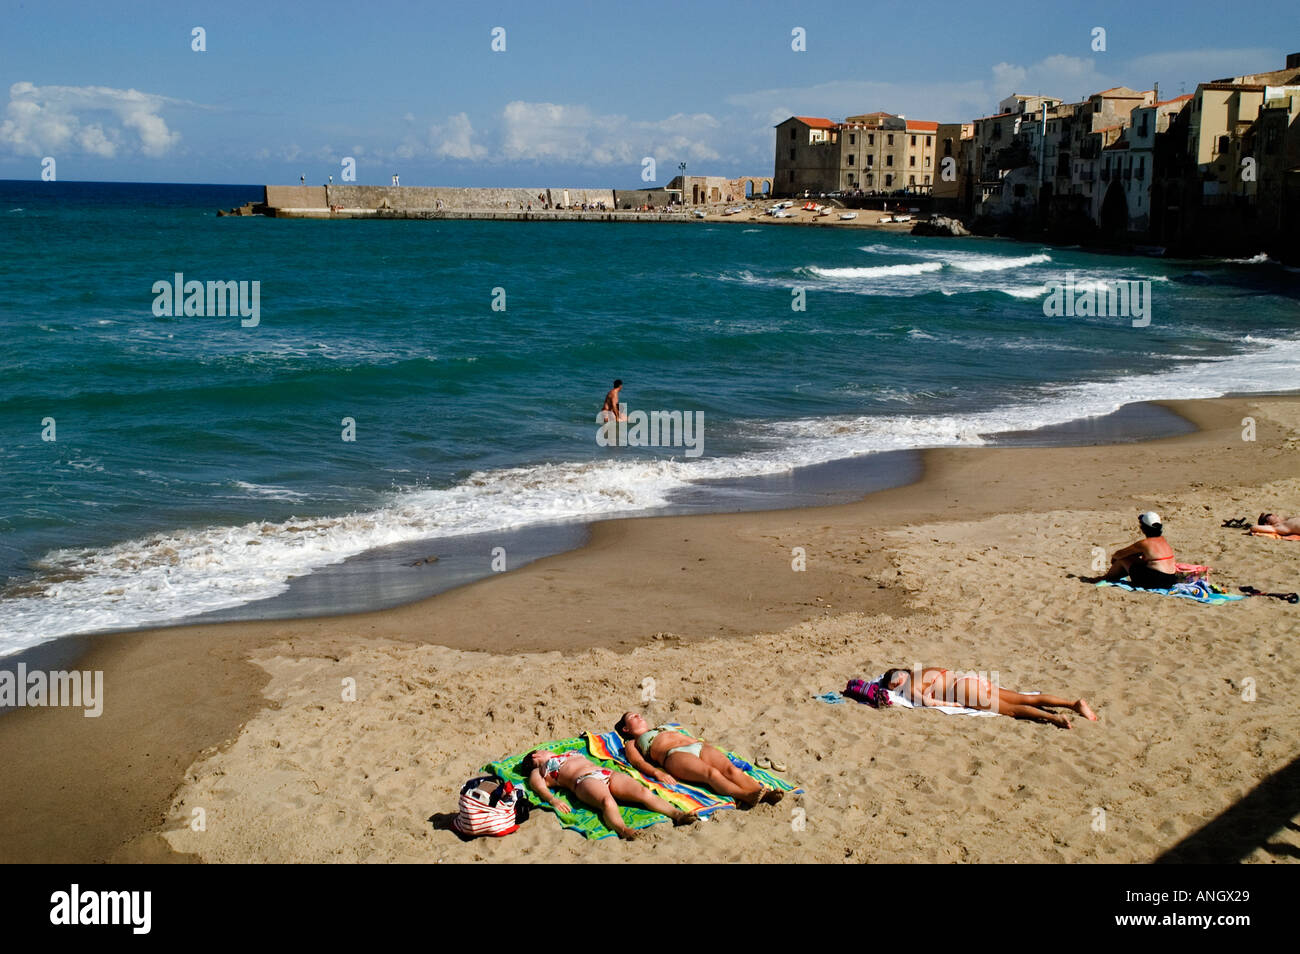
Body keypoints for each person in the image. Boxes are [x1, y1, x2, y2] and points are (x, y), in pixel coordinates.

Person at [520, 748, 696, 840]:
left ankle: (678, 814)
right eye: (542, 750)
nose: (546, 750)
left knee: (643, 792)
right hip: (584, 780)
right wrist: (553, 800)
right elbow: (538, 786)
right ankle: (624, 830)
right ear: (536, 756)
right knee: (607, 801)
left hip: (605, 773)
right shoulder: (541, 768)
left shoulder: (567, 753)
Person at [615, 712, 783, 807]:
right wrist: (657, 773)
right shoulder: (631, 743)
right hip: (673, 754)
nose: (639, 716)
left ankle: (765, 794)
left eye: (638, 714)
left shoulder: (663, 727)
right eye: (632, 717)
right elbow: (638, 763)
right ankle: (746, 795)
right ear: (626, 728)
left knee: (732, 770)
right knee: (712, 774)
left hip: (699, 747)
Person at [870, 669, 1098, 729]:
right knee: (1024, 698)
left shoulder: (909, 685)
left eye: (892, 683)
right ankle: (1073, 704)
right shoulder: (925, 670)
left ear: (897, 679)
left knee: (1011, 710)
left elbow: (928, 703)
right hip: (970, 678)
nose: (895, 686)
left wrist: (953, 704)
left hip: (962, 689)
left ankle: (1055, 718)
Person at [1103, 511, 1180, 588]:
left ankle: (1105, 578)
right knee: (1134, 560)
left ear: (1143, 528)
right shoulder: (1163, 541)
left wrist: (1114, 559)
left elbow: (1118, 554)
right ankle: (1111, 576)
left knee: (1123, 559)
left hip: (1156, 580)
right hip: (1170, 580)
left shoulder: (1144, 544)